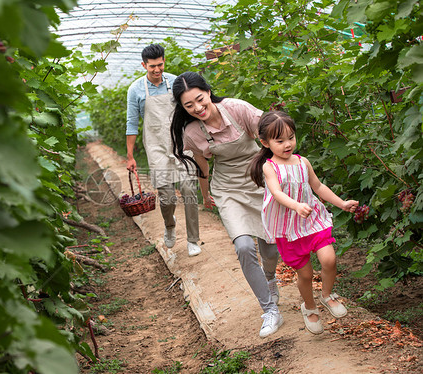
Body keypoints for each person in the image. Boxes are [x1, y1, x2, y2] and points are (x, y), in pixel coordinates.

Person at [170, 71, 282, 338]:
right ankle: (269, 310)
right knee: (244, 246)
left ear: (208, 92)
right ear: (183, 108)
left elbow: (271, 138)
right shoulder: (192, 132)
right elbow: (203, 164)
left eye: (200, 100)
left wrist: (284, 175)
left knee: (270, 246)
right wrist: (206, 193)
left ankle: (269, 278)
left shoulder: (237, 109)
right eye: (189, 106)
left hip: (260, 178)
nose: (198, 108)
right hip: (228, 188)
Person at [249, 110, 359, 334]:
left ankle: (327, 295)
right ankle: (309, 306)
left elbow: (318, 187)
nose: (287, 144)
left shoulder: (302, 161)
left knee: (329, 259)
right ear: (265, 142)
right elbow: (277, 193)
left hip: (312, 221)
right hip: (288, 227)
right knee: (306, 274)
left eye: (291, 137)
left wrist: (341, 203)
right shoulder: (269, 167)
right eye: (280, 141)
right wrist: (296, 205)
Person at [126, 44, 202, 257]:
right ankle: (170, 224)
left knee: (189, 189)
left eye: (160, 65)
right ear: (144, 65)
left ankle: (193, 239)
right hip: (156, 147)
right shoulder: (136, 90)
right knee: (167, 197)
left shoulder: (176, 82)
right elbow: (132, 123)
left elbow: (189, 111)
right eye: (152, 67)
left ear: (164, 61)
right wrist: (130, 156)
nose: (157, 70)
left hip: (180, 143)